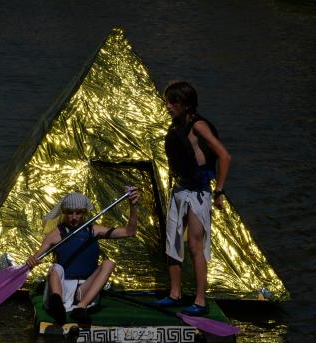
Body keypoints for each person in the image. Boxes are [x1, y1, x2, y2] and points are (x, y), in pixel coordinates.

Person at [157, 81, 231, 316]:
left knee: (195, 245)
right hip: (180, 189)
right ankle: (174, 293)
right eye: (167, 101)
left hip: (198, 192)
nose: (168, 106)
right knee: (173, 243)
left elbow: (224, 156)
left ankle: (200, 300)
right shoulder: (177, 124)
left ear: (185, 103)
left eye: (173, 102)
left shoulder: (198, 126)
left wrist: (219, 191)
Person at [26, 188, 140, 325]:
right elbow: (37, 257)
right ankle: (57, 304)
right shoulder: (55, 235)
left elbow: (130, 231)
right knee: (55, 268)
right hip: (63, 288)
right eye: (70, 213)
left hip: (84, 290)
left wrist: (133, 205)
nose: (74, 217)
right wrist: (32, 260)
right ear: (64, 212)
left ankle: (81, 308)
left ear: (84, 213)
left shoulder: (94, 230)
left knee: (109, 263)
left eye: (78, 213)